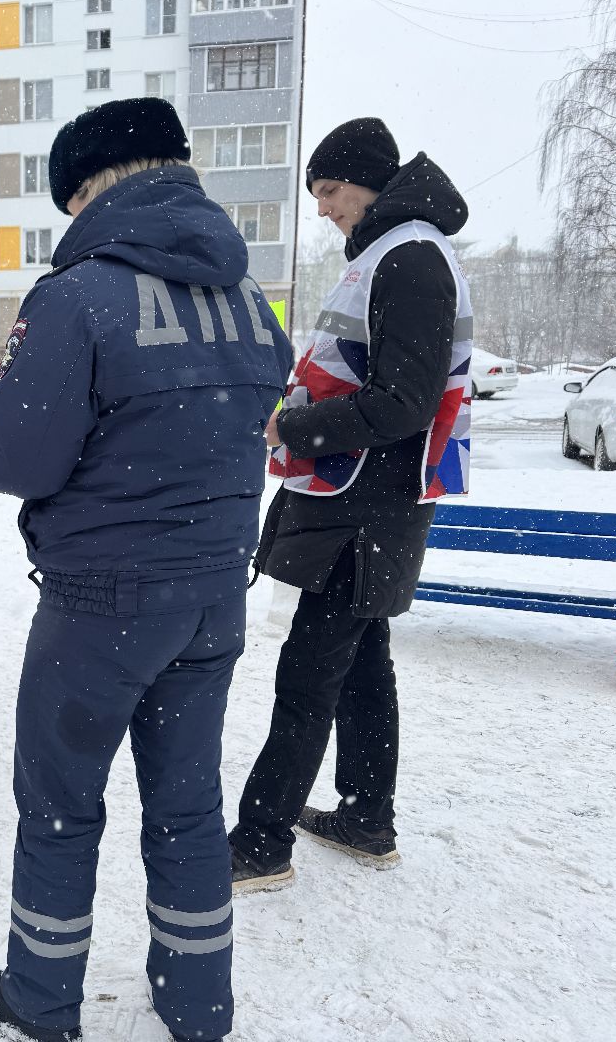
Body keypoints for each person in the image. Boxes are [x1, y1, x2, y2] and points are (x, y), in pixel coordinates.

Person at [0, 98, 294, 1042]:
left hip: (99, 604)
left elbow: (21, 460)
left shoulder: (76, 297)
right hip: (214, 594)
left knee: (60, 808)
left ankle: (41, 1000)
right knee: (188, 806)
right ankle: (197, 1004)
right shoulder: (246, 299)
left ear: (91, 187)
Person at [228, 117, 472, 894]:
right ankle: (368, 818)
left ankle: (261, 843)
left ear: (368, 180)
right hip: (367, 500)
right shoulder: (392, 253)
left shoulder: (410, 258)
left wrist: (290, 424)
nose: (325, 209)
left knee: (308, 673)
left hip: (366, 507)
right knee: (363, 664)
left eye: (330, 191)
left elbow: (403, 401)